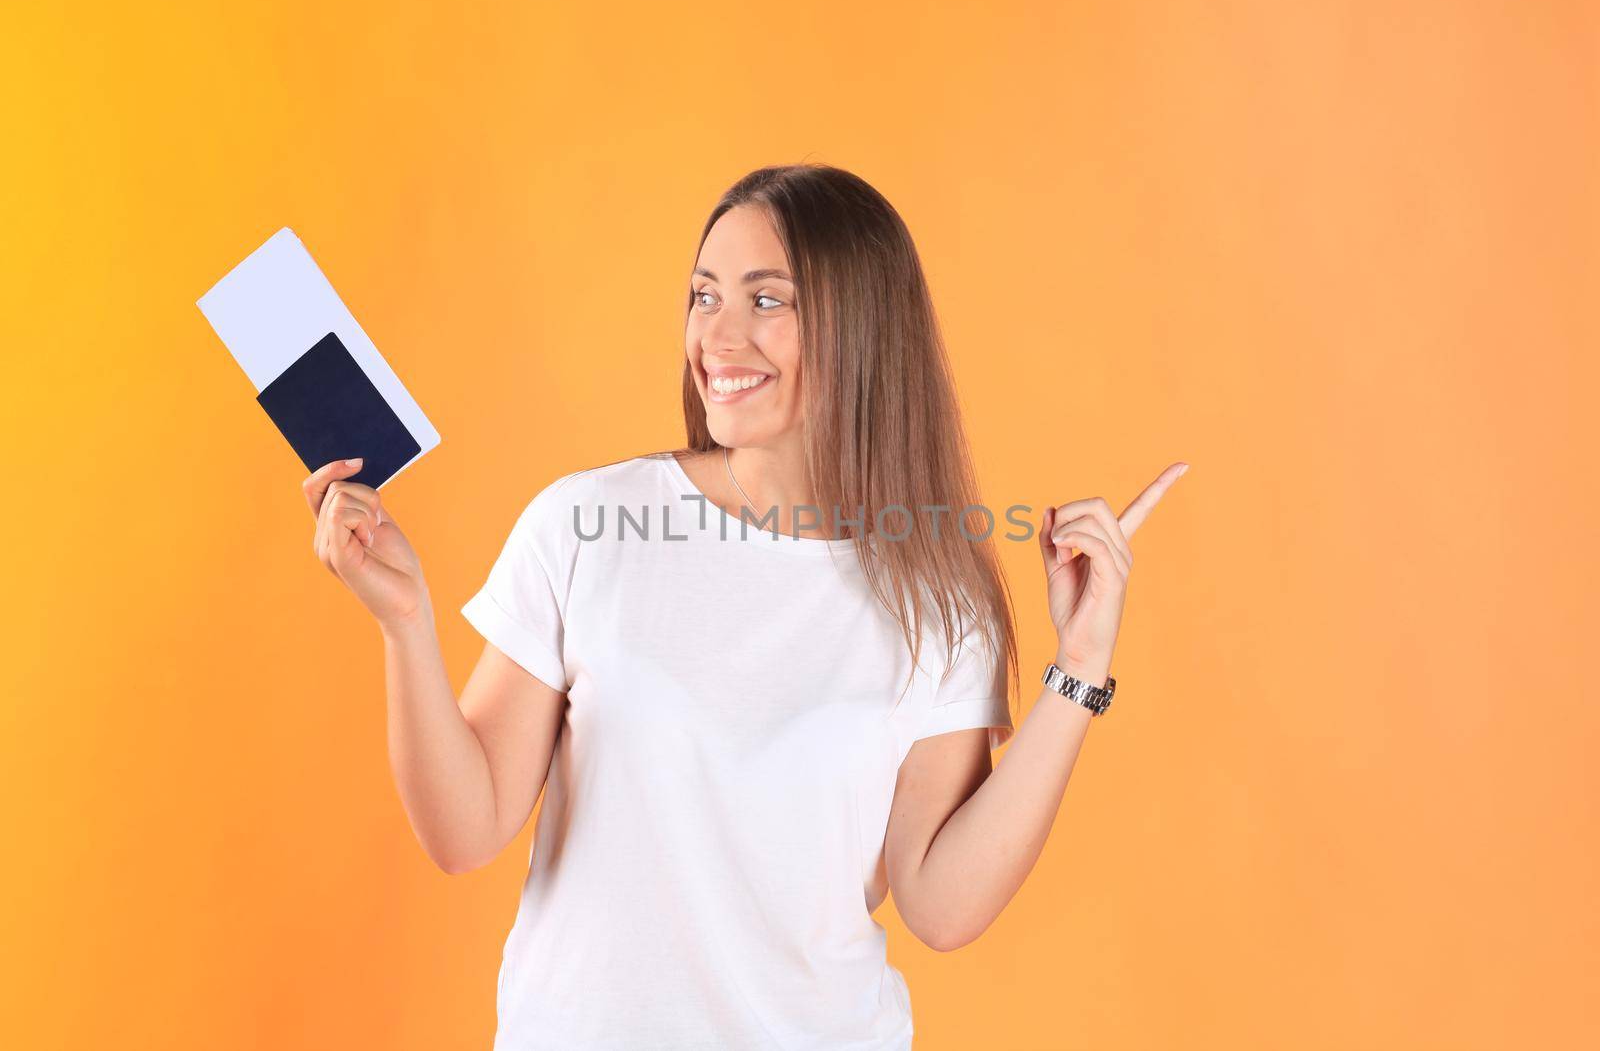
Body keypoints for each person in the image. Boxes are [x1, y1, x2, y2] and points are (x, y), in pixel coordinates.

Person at [301, 163, 1187, 1050]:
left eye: (768, 301)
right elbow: (464, 830)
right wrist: (405, 622)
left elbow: (942, 906)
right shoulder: (587, 526)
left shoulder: (940, 597)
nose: (718, 336)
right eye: (703, 295)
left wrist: (1078, 673)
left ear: (863, 327)